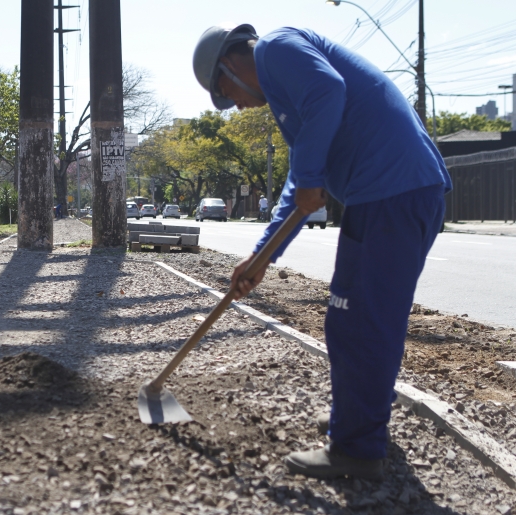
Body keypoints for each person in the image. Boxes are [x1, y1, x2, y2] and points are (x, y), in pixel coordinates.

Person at [193, 24, 451, 480]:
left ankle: (357, 449)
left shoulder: (276, 48)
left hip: (391, 192)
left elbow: (329, 92)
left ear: (230, 66)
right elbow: (299, 186)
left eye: (226, 94)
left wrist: (313, 176)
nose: (235, 106)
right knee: (361, 318)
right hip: (389, 193)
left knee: (360, 322)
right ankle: (361, 417)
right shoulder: (292, 97)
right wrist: (261, 257)